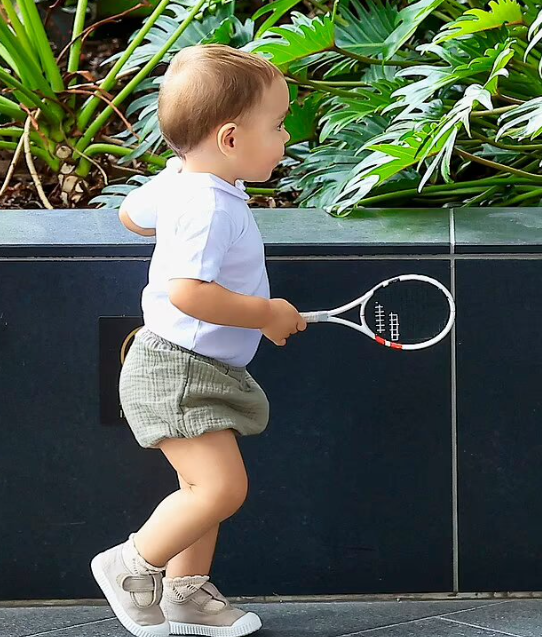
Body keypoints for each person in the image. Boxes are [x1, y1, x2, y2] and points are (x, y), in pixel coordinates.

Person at [90, 44, 307, 637]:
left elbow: (131, 216)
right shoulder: (210, 204)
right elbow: (186, 291)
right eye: (278, 126)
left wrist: (169, 189)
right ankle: (132, 565)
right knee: (220, 488)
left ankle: (186, 597)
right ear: (232, 139)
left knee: (200, 489)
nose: (286, 139)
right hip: (178, 369)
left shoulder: (187, 181)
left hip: (190, 366)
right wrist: (265, 313)